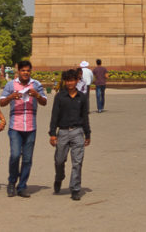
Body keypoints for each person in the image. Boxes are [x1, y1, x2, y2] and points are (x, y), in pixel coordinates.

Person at [0, 60, 48, 198]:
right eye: (23, 70)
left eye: (28, 70)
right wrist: (11, 97)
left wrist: (37, 95)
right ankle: (11, 182)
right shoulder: (11, 85)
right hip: (15, 126)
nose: (25, 73)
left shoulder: (36, 85)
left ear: (30, 72)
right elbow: (1, 103)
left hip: (31, 126)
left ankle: (22, 186)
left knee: (27, 159)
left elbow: (44, 102)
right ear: (18, 71)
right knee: (15, 155)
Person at [49, 69, 91, 200]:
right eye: (67, 81)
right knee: (59, 160)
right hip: (62, 131)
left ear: (77, 81)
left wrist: (87, 134)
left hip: (78, 131)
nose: (70, 83)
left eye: (72, 80)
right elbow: (54, 116)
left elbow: (85, 116)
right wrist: (52, 134)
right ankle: (59, 177)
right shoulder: (60, 97)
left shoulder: (82, 98)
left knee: (77, 162)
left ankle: (75, 188)